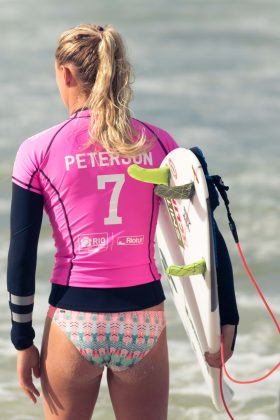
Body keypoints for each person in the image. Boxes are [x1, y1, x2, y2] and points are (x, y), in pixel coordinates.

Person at [7, 24, 239, 420]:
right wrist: (226, 316)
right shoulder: (160, 143)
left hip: (73, 316)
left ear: (66, 74)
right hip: (142, 318)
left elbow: (22, 253)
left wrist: (22, 339)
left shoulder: (38, 151)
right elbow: (201, 225)